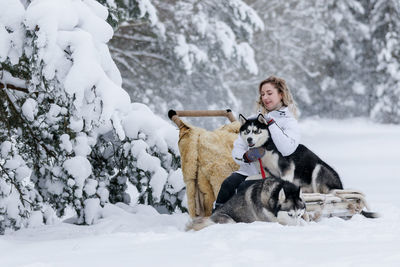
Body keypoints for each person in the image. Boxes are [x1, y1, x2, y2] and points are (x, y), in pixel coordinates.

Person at [214, 75, 301, 211]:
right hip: (250, 171)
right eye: (262, 94)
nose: (265, 97)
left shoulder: (289, 122)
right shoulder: (253, 120)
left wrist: (271, 123)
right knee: (229, 183)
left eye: (269, 93)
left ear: (281, 94)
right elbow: (237, 149)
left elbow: (286, 149)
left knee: (245, 187)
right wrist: (246, 156)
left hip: (276, 174)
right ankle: (217, 215)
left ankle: (239, 218)